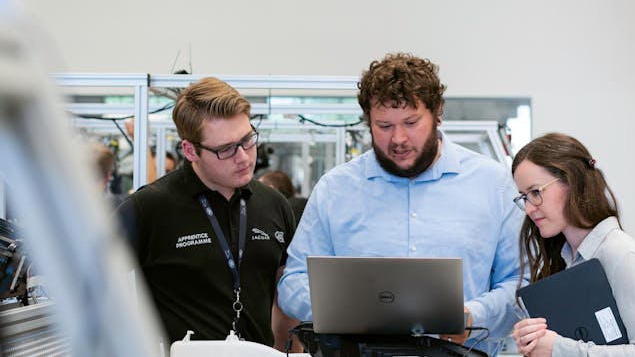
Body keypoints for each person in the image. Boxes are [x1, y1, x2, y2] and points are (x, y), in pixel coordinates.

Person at [278, 52, 523, 355]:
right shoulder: (335, 189)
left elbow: (519, 282)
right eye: (383, 126)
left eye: (411, 122)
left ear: (437, 113)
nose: (399, 139)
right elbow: (292, 282)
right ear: (368, 121)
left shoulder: (493, 184)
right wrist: (348, 309)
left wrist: (473, 316)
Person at [115, 77, 298, 348]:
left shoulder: (275, 205)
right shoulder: (149, 208)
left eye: (248, 140)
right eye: (226, 149)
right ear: (190, 150)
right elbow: (91, 286)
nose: (245, 157)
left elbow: (286, 296)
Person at [510, 133, 635, 356]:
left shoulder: (621, 255)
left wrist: (558, 348)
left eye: (535, 192)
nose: (528, 209)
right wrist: (534, 339)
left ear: (572, 181)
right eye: (523, 197)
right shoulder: (568, 257)